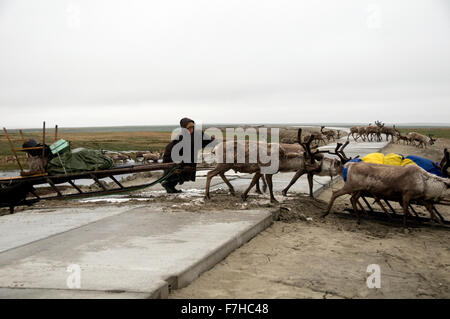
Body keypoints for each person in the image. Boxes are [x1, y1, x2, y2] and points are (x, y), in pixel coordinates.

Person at [161, 117, 216, 193]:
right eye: (188, 128)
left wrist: (212, 140)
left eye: (192, 127)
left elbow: (205, 141)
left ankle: (170, 186)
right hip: (172, 155)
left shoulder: (198, 133)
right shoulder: (182, 137)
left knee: (185, 172)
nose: (191, 129)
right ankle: (168, 185)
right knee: (177, 171)